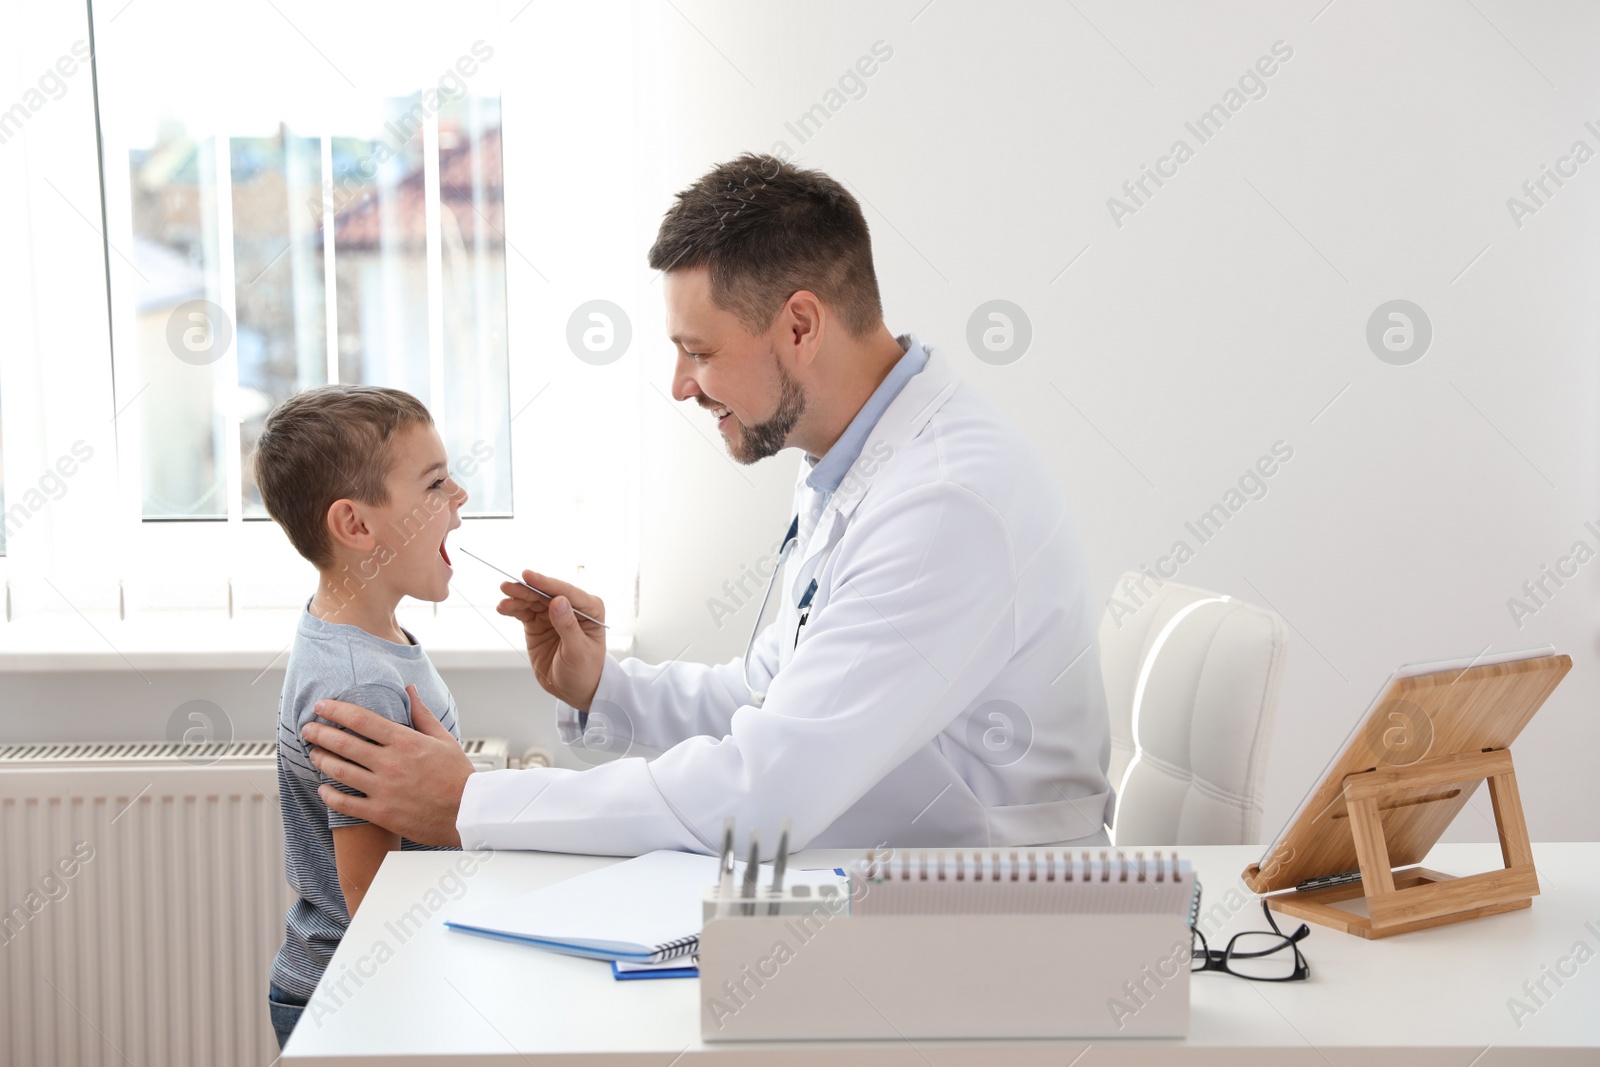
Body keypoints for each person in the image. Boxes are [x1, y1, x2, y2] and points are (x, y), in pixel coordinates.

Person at [303, 153, 1114, 861]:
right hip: (890, 882)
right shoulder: (850, 463)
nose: (682, 385)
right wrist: (603, 687)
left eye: (699, 351)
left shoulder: (943, 504)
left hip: (994, 923)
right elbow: (769, 696)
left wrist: (470, 803)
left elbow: (761, 791)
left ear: (799, 324)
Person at [254, 385, 468, 1049]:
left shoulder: (363, 636)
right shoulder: (358, 684)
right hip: (356, 999)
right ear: (355, 525)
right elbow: (375, 903)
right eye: (435, 483)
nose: (459, 496)